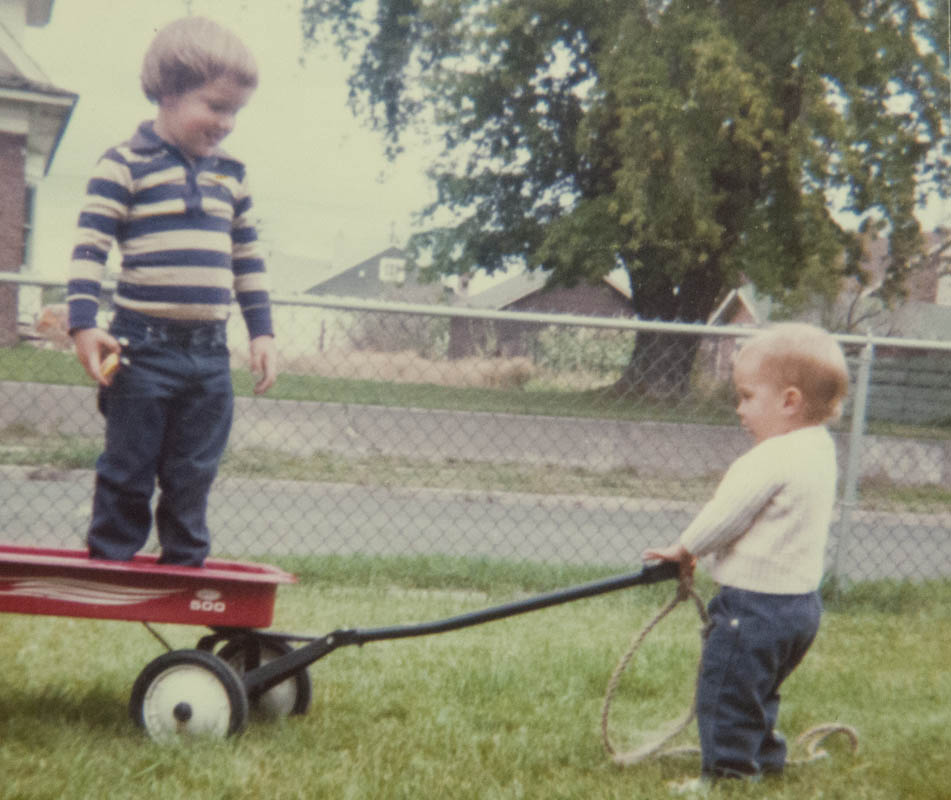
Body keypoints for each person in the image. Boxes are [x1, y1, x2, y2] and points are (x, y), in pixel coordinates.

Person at [67, 16, 276, 567]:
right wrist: (83, 324)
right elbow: (90, 247)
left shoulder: (232, 174)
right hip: (139, 351)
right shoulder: (124, 164)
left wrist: (263, 332)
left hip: (209, 354)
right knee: (129, 466)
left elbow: (248, 258)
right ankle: (110, 563)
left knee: (193, 472)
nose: (227, 123)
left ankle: (185, 569)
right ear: (167, 92)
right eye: (215, 106)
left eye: (235, 111)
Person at [643, 322, 849, 786]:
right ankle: (766, 759)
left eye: (747, 396)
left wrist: (685, 548)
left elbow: (727, 515)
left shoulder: (769, 458)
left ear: (789, 401)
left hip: (754, 607)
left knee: (727, 693)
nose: (739, 409)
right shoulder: (819, 448)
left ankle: (727, 777)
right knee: (758, 690)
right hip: (799, 609)